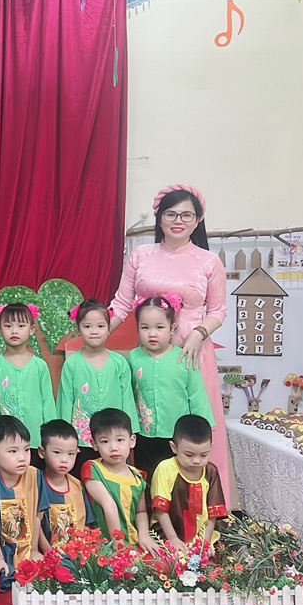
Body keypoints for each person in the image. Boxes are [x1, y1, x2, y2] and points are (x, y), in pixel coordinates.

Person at [109, 184, 231, 501]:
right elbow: (121, 303)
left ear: (198, 220)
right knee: (148, 427)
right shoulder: (141, 256)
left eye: (187, 215)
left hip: (190, 352)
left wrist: (199, 333)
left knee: (192, 428)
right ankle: (147, 504)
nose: (178, 221)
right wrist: (95, 336)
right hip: (146, 354)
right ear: (160, 218)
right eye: (171, 214)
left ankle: (200, 504)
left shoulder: (209, 261)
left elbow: (218, 310)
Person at [127, 296, 215, 476]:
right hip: (144, 434)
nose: (152, 334)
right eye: (145, 328)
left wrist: (203, 429)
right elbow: (129, 395)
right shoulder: (133, 358)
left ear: (172, 328)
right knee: (147, 477)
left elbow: (196, 395)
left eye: (159, 327)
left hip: (177, 436)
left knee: (176, 478)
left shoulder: (184, 357)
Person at [58, 300, 137, 473]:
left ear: (109, 328)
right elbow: (65, 400)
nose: (94, 331)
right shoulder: (72, 364)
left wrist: (130, 432)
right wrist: (65, 435)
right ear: (78, 329)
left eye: (100, 326)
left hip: (114, 439)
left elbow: (127, 400)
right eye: (87, 326)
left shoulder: (119, 363)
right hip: (82, 439)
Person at [81, 409, 159, 554]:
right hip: (107, 544)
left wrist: (144, 536)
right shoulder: (93, 468)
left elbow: (141, 511)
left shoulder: (138, 476)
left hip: (134, 542)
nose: (113, 448)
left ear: (132, 441)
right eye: (105, 441)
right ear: (94, 444)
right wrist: (118, 547)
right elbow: (109, 505)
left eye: (120, 440)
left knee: (166, 562)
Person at [0, 415, 42, 592]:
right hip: (3, 550)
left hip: (28, 548)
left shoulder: (35, 474)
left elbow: (38, 515)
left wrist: (35, 550)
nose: (22, 457)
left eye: (26, 449)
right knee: (0, 581)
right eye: (13, 451)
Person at [0, 304, 56, 463]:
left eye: (21, 326)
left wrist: (51, 435)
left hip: (35, 439)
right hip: (3, 440)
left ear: (31, 330)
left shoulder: (40, 366)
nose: (14, 331)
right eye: (8, 326)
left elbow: (47, 402)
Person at [151, 415, 229, 551]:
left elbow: (213, 513)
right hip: (169, 532)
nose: (197, 461)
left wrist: (205, 542)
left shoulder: (211, 471)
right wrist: (173, 538)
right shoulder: (165, 469)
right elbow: (160, 510)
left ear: (211, 447)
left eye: (204, 455)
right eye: (189, 455)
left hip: (204, 534)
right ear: (174, 447)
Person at [35, 420, 94, 551]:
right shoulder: (36, 484)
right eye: (57, 452)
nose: (64, 460)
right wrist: (47, 550)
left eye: (71, 454)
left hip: (76, 553)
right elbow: (34, 523)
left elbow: (86, 524)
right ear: (42, 452)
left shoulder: (78, 486)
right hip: (46, 553)